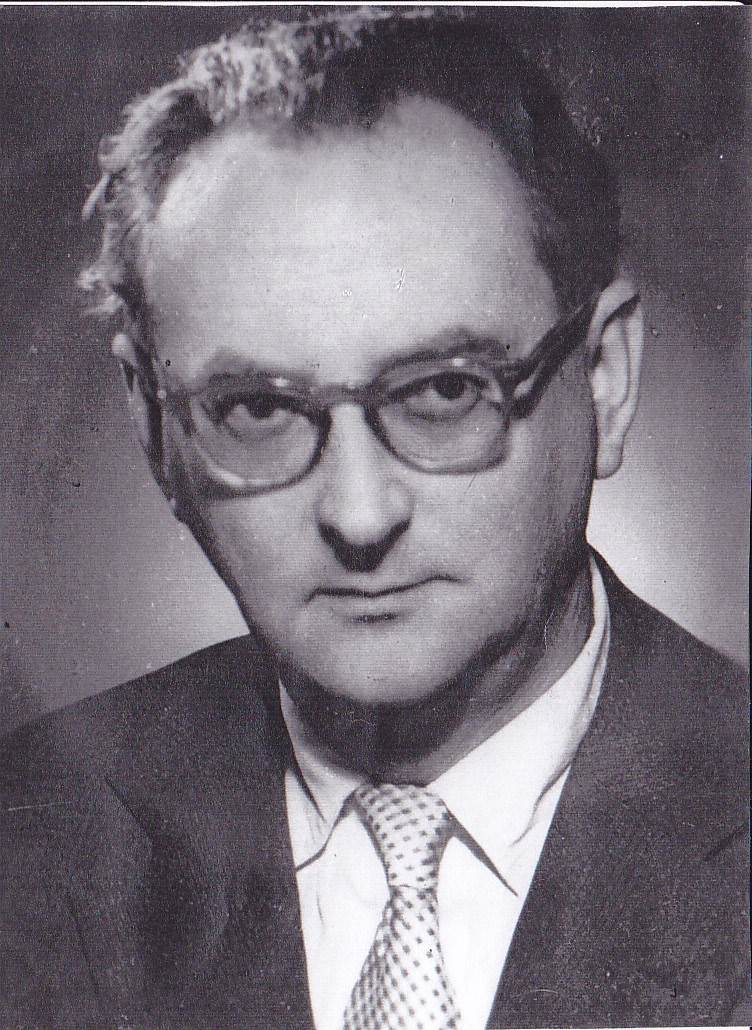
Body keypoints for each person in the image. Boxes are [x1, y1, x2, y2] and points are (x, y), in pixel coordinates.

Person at [0, 8, 747, 1029]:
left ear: (605, 377)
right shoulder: (32, 841)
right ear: (153, 424)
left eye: (444, 391)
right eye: (256, 410)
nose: (358, 514)